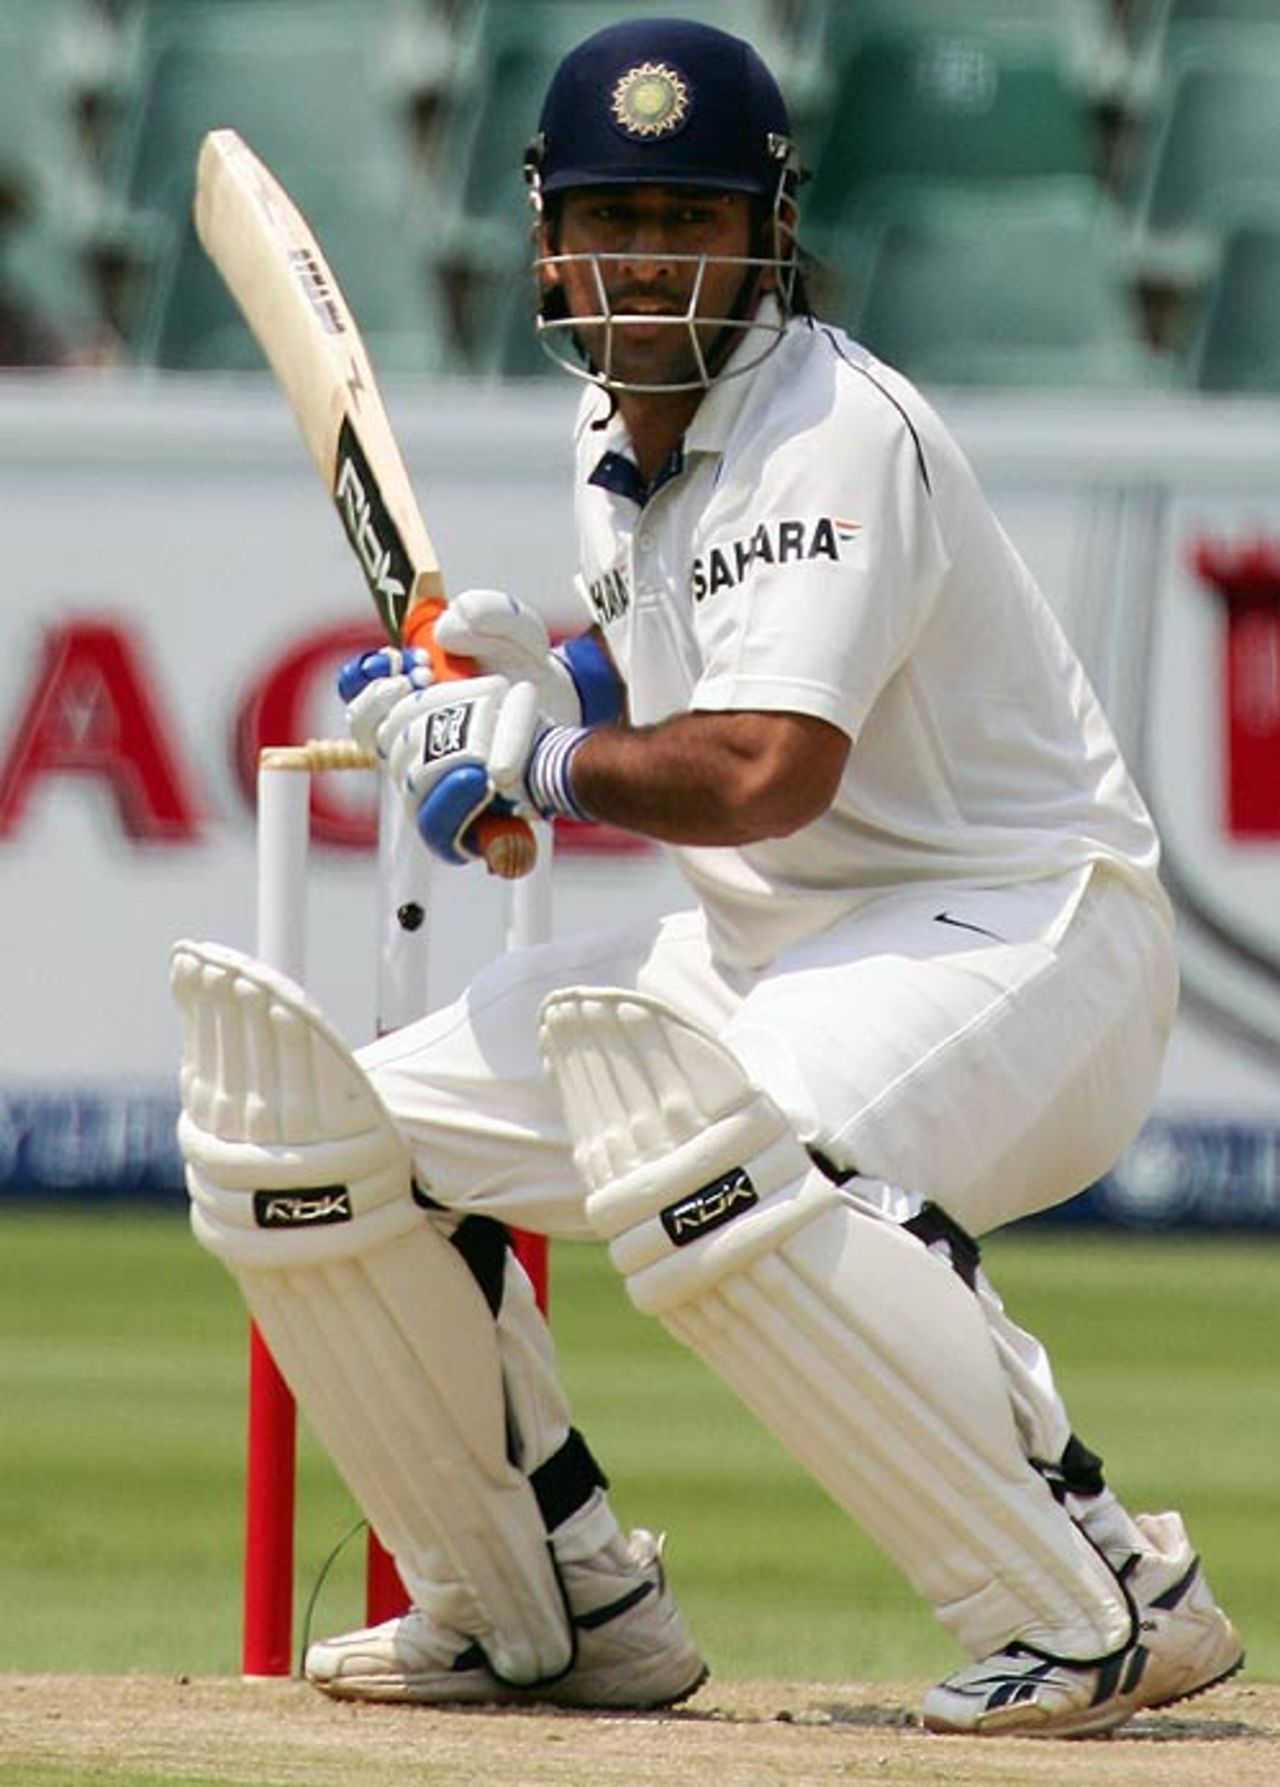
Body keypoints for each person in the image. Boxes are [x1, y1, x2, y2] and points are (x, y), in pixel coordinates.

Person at [172, 18, 1242, 1738]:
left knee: (726, 1161)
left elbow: (763, 770)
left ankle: (1102, 1590)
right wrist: (543, 694)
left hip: (1029, 937)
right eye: (615, 220)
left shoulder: (834, 429)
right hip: (777, 943)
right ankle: (547, 1599)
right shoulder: (611, 424)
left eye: (690, 220)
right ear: (546, 237)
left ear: (769, 233)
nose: (649, 262)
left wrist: (524, 758)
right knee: (314, 1147)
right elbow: (691, 658)